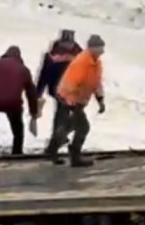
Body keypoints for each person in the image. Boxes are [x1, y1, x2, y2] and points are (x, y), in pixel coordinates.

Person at [45, 34, 107, 167]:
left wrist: (100, 99)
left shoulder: (96, 63)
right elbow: (71, 82)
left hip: (78, 100)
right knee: (83, 127)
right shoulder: (82, 62)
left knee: (70, 125)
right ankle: (74, 156)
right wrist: (71, 102)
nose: (102, 50)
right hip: (68, 99)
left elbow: (96, 83)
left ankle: (52, 148)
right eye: (100, 47)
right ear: (92, 48)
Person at [35, 29, 82, 138]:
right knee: (63, 111)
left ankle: (59, 135)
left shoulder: (78, 55)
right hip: (59, 89)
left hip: (71, 91)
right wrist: (38, 94)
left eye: (69, 43)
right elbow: (44, 75)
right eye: (65, 43)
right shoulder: (53, 55)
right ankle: (58, 137)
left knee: (68, 114)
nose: (67, 46)